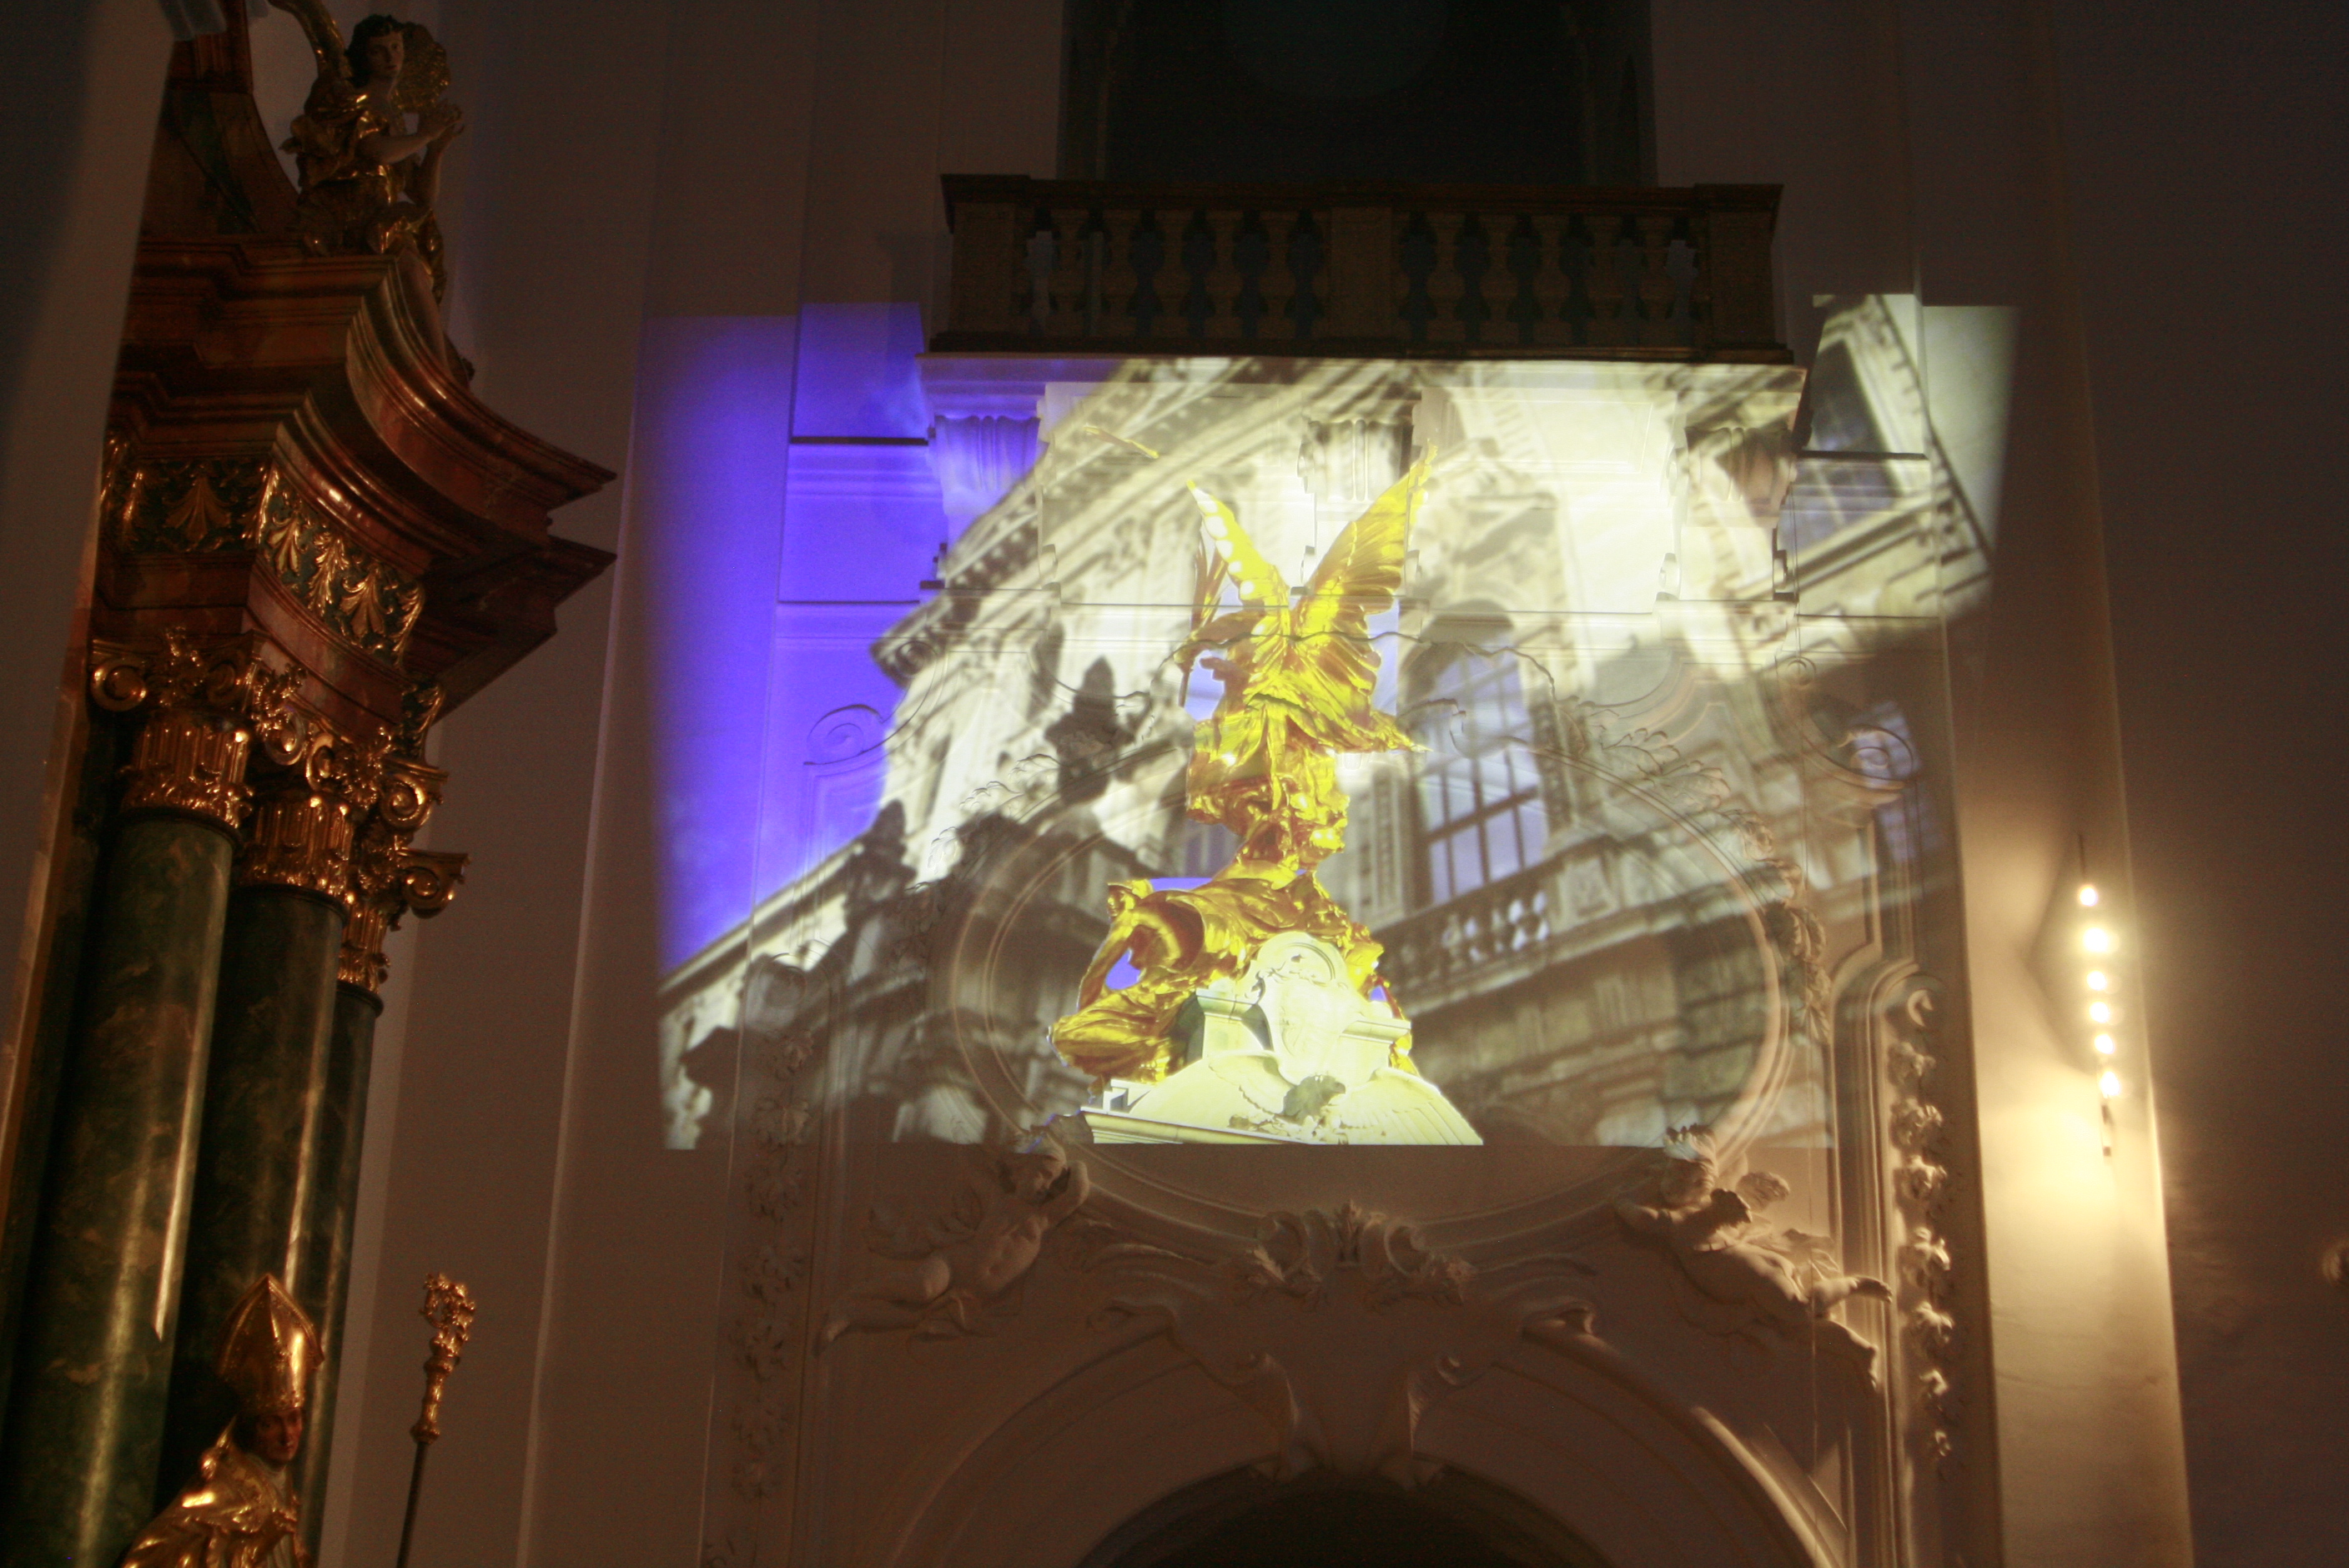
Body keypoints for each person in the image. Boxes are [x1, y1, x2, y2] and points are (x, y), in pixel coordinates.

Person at [122, 1277, 318, 1568]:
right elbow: (150, 1558)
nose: (287, 1435)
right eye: (272, 1423)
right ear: (252, 1427)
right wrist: (256, 1546)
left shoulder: (284, 1485)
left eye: (294, 1419)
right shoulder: (222, 1488)